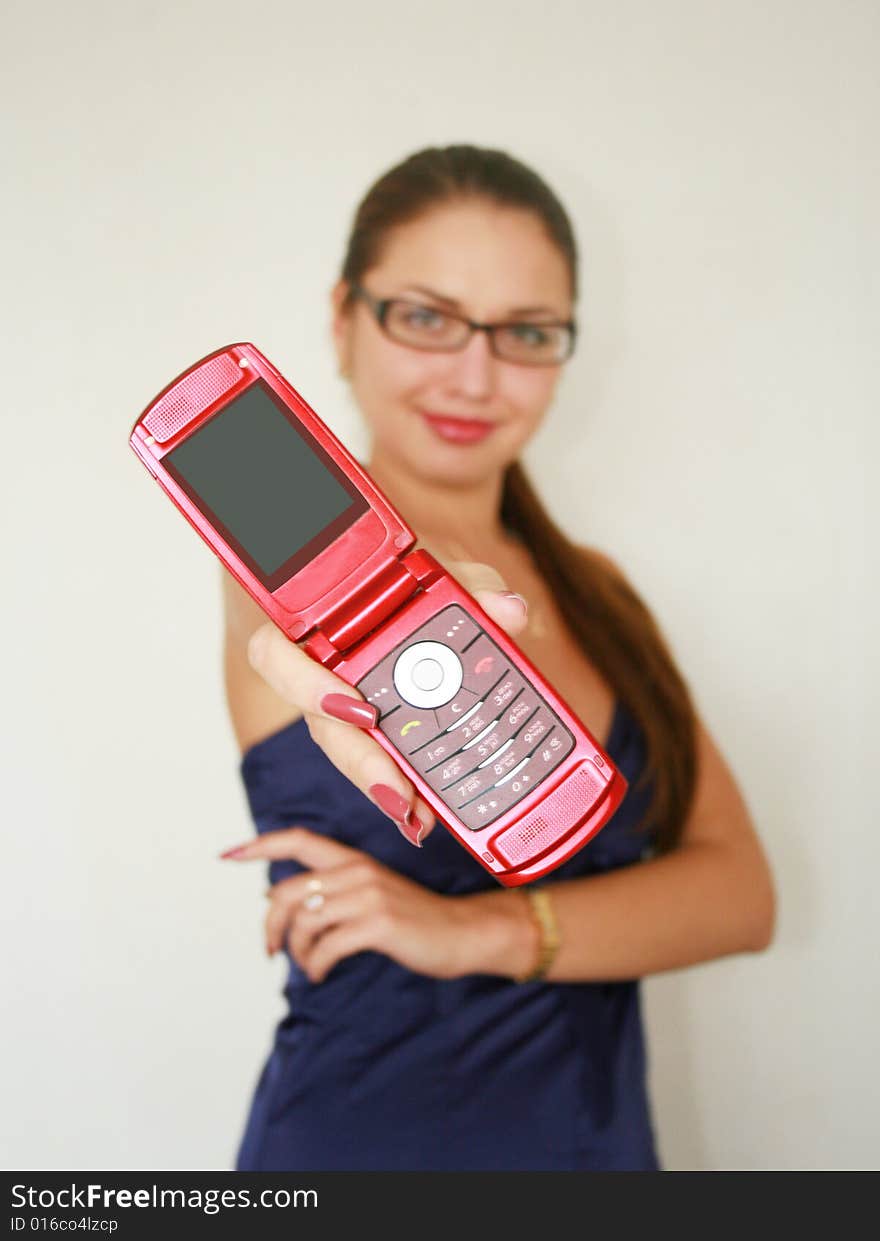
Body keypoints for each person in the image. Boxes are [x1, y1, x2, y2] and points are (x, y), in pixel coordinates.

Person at [219, 144, 776, 1171]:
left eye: (525, 332)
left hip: (595, 1145)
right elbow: (339, 613)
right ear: (343, 319)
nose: (475, 375)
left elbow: (740, 893)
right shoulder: (288, 566)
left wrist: (476, 930)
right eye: (425, 317)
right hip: (365, 1144)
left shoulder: (597, 588)